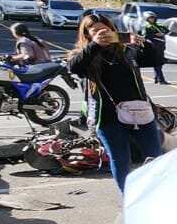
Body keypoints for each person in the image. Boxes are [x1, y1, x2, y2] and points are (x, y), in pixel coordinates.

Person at [66, 11, 162, 192]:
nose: (102, 33)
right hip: (108, 117)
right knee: (120, 160)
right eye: (95, 31)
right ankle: (128, 198)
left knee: (155, 157)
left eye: (105, 30)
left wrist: (145, 44)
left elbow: (154, 59)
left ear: (113, 30)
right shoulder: (84, 54)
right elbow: (74, 67)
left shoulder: (126, 51)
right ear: (87, 35)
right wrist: (95, 45)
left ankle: (154, 195)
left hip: (140, 112)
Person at [136, 16, 168, 84]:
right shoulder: (146, 27)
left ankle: (156, 78)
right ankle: (161, 80)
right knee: (157, 63)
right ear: (147, 19)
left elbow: (167, 31)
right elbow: (145, 36)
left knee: (159, 63)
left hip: (160, 46)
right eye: (150, 18)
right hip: (153, 46)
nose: (152, 19)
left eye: (153, 18)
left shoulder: (159, 25)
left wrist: (163, 33)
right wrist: (155, 35)